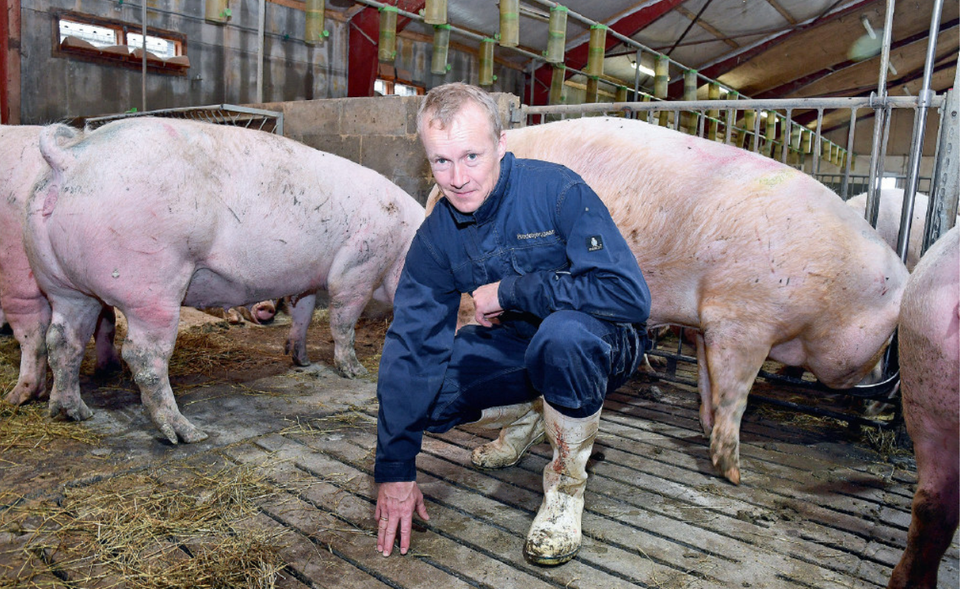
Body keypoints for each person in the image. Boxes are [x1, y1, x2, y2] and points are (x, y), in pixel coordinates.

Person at [373, 82, 651, 566]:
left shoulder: (557, 190)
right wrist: (394, 469)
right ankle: (536, 412)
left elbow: (627, 296)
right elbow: (412, 343)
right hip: (521, 347)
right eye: (441, 161)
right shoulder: (439, 233)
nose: (457, 178)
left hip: (602, 343)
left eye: (472, 156)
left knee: (564, 336)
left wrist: (512, 290)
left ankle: (566, 488)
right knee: (425, 400)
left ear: (502, 144)